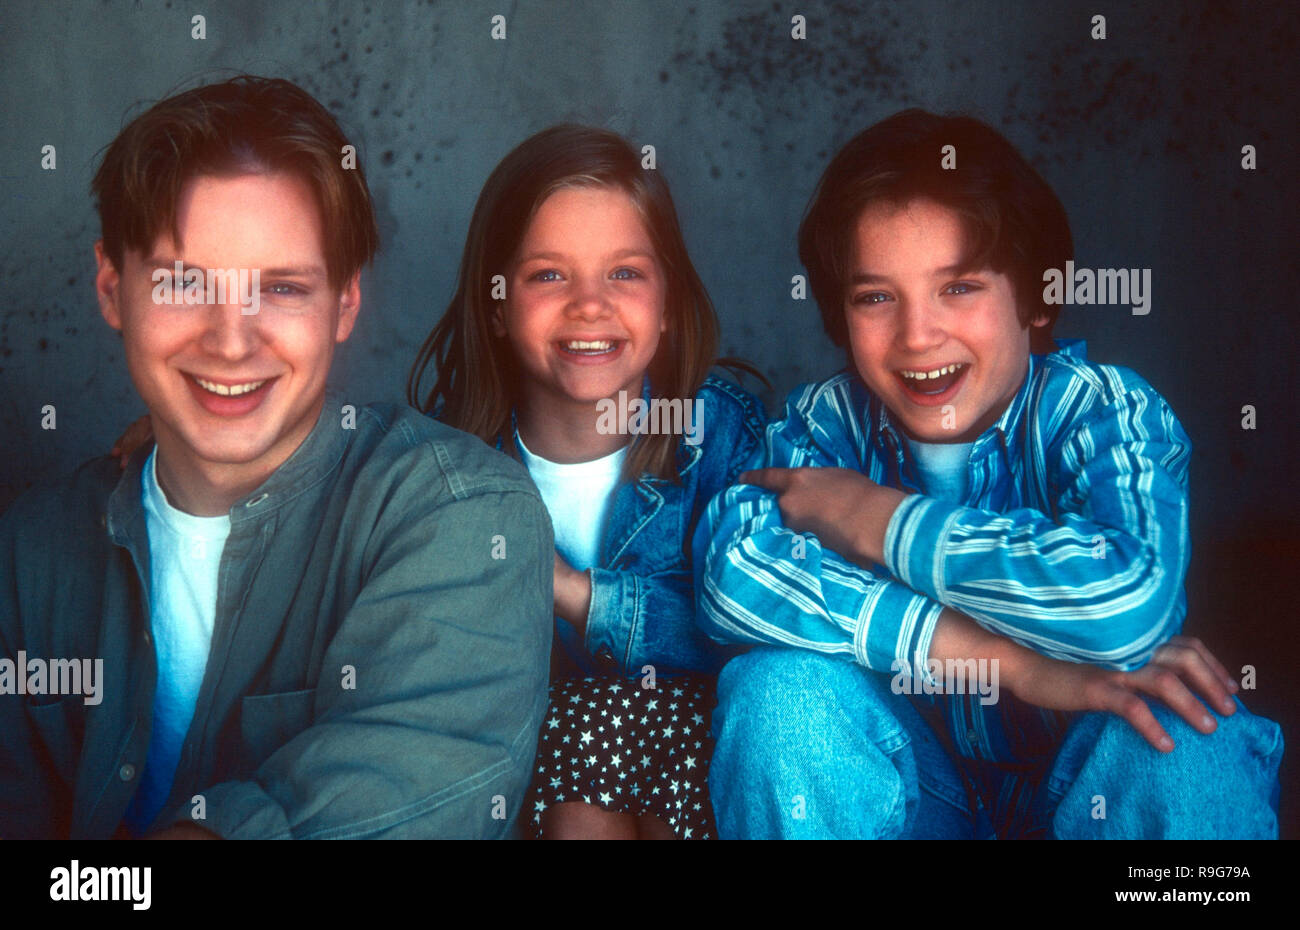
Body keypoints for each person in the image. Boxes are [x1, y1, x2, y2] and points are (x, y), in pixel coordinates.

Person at [694, 108, 1283, 839]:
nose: (917, 334)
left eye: (959, 287)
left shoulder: (1103, 410)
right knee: (779, 694)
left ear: (1036, 297)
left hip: (1086, 785)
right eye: (876, 297)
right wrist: (1010, 663)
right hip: (914, 795)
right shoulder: (823, 424)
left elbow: (1127, 605)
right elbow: (732, 577)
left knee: (1188, 731)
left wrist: (878, 518)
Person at [0, 76, 553, 839]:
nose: (231, 340)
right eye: (183, 283)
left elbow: (402, 797)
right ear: (111, 287)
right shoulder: (31, 548)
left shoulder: (461, 518)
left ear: (345, 305)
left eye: (282, 288)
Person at [408, 125, 767, 839]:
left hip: (696, 759)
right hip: (533, 775)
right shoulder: (447, 464)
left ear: (667, 305)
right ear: (497, 305)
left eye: (625, 273)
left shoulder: (718, 433)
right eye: (549, 275)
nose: (590, 305)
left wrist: (576, 594)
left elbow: (746, 630)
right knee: (564, 722)